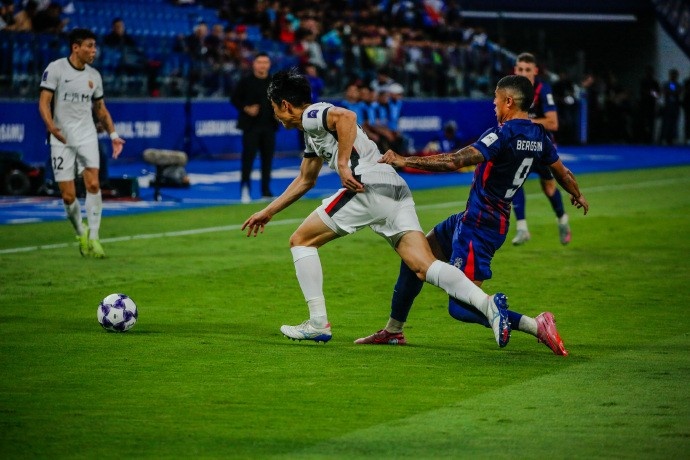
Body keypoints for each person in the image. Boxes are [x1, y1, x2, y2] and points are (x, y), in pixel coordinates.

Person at [241, 68, 511, 348]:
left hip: (366, 185)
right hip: (393, 187)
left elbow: (347, 117)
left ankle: (317, 323)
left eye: (275, 107)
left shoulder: (312, 115)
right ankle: (488, 305)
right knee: (424, 266)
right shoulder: (313, 132)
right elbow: (305, 179)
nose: (275, 114)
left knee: (301, 241)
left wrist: (343, 164)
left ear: (285, 105)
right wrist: (268, 212)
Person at [356, 75, 589, 356]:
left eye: (496, 98)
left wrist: (404, 160)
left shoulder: (502, 134)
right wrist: (577, 193)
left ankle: (535, 325)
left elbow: (454, 161)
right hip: (476, 219)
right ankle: (393, 330)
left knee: (460, 306)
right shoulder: (539, 135)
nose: (493, 104)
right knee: (414, 257)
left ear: (509, 101)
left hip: (480, 226)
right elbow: (561, 172)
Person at [38, 28, 125, 258]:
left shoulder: (94, 76)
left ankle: (94, 237)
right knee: (68, 196)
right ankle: (81, 231)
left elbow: (101, 109)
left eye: (95, 46)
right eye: (89, 46)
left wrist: (113, 135)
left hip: (87, 135)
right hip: (62, 138)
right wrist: (51, 127)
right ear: (75, 48)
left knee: (93, 184)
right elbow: (44, 102)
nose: (94, 51)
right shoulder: (56, 69)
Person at [511, 52, 572, 246]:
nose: (523, 73)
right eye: (520, 69)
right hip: (520, 146)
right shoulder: (510, 91)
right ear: (515, 70)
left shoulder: (543, 90)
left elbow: (553, 123)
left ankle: (562, 220)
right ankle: (522, 228)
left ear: (535, 71)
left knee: (549, 187)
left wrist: (526, 123)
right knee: (514, 182)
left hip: (542, 147)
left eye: (527, 70)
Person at [231, 52, 279, 203]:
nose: (262, 65)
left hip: (269, 126)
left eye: (265, 62)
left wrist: (278, 114)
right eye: (260, 62)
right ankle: (245, 189)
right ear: (254, 64)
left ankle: (266, 191)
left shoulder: (274, 82)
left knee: (267, 160)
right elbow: (234, 99)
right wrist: (246, 108)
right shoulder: (246, 81)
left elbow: (281, 101)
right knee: (248, 159)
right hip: (251, 127)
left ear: (269, 64)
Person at [660, 68, 682, 145]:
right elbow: (663, 93)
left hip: (675, 107)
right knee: (666, 123)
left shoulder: (678, 85)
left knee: (673, 123)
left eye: (675, 75)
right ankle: (664, 138)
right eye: (672, 75)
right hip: (667, 106)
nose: (673, 76)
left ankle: (671, 138)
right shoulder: (666, 84)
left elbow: (678, 93)